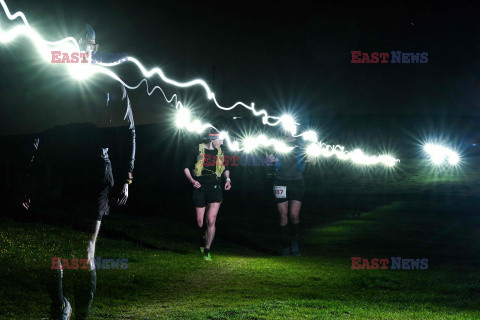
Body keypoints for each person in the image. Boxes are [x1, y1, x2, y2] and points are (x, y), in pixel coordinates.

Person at [22, 24, 135, 320]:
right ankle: (58, 306)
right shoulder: (52, 79)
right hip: (55, 172)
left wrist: (126, 176)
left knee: (84, 253)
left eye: (85, 43)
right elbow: (36, 127)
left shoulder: (110, 81)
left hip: (92, 172)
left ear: (94, 47)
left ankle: (81, 315)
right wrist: (28, 176)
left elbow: (128, 132)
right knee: (53, 251)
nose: (78, 47)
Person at [183, 128, 231, 261]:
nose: (221, 143)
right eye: (219, 140)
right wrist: (192, 181)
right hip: (200, 187)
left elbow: (226, 168)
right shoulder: (197, 149)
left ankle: (207, 249)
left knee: (211, 221)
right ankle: (203, 238)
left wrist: (227, 180)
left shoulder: (221, 152)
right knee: (200, 222)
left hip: (215, 187)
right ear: (212, 138)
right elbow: (186, 167)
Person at [267, 130, 306, 257]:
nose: (287, 131)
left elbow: (313, 160)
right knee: (283, 215)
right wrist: (270, 160)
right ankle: (285, 247)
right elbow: (269, 161)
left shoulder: (302, 143)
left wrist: (312, 158)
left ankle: (295, 245)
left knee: (294, 215)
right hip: (280, 181)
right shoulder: (276, 143)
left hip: (296, 181)